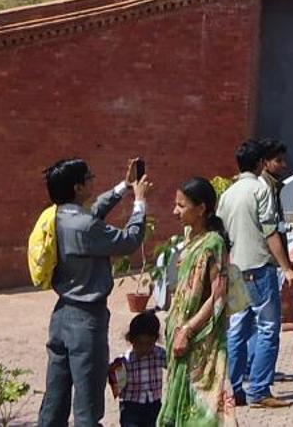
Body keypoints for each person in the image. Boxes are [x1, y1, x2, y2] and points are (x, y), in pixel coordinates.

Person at [38, 158, 150, 427]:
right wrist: (140, 202)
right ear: (77, 187)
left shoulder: (57, 216)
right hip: (86, 320)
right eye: (89, 178)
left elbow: (94, 210)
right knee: (88, 402)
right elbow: (129, 241)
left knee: (56, 395)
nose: (93, 180)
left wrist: (125, 185)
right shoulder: (86, 227)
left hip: (62, 315)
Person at [220, 138, 293, 410]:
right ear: (260, 164)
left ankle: (232, 389)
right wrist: (287, 267)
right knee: (268, 328)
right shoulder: (261, 189)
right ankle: (258, 389)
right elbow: (270, 232)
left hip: (235, 267)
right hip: (259, 267)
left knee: (237, 329)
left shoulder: (228, 194)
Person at [159, 177, 237, 426]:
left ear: (201, 208)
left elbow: (219, 295)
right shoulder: (191, 238)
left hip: (200, 340)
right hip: (181, 335)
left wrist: (188, 330)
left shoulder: (213, 242)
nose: (175, 211)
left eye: (181, 206)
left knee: (203, 409)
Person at [112, 311, 170, 427]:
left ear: (155, 340)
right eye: (139, 343)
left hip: (154, 405)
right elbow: (117, 389)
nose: (144, 348)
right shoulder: (124, 361)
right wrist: (114, 378)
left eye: (149, 344)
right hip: (131, 407)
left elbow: (173, 365)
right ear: (131, 340)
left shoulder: (159, 354)